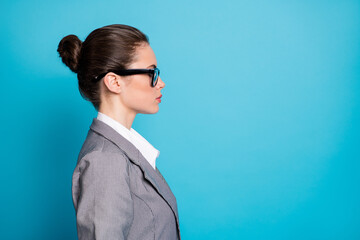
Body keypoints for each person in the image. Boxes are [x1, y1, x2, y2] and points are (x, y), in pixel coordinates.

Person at [57, 24, 180, 240]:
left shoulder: (124, 151)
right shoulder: (104, 161)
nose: (161, 83)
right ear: (114, 81)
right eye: (152, 72)